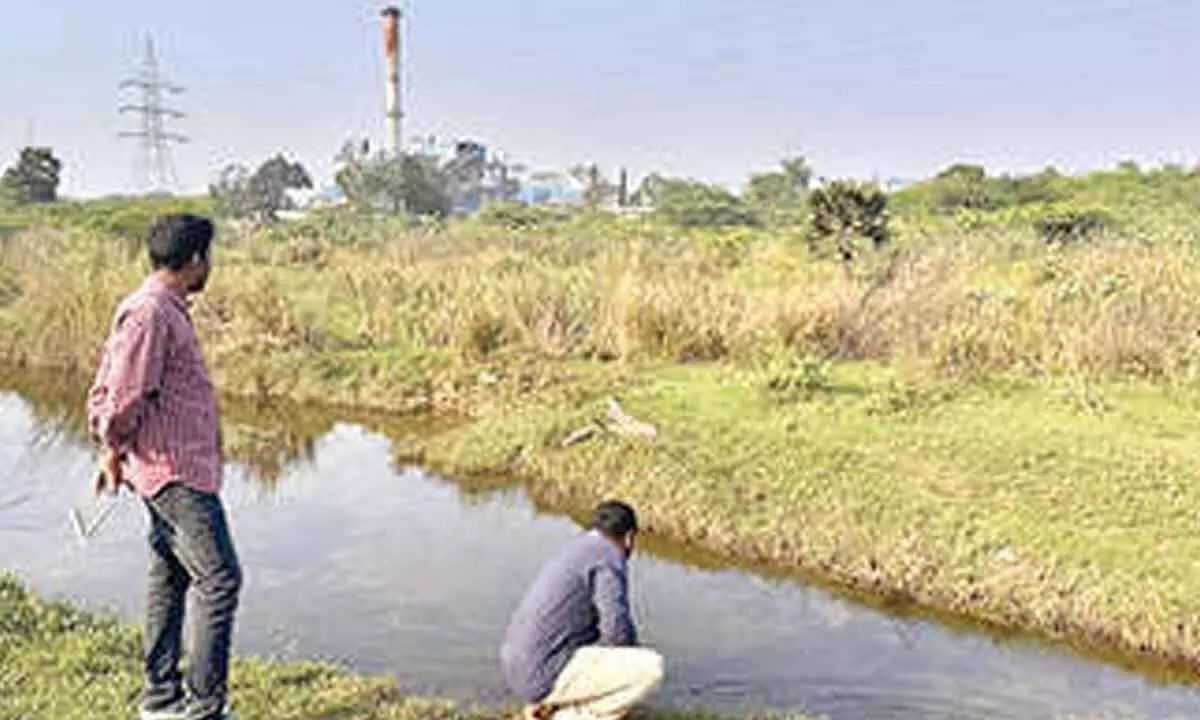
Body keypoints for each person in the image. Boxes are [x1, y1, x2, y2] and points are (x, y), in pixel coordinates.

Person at [86, 214, 240, 720]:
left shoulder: (155, 307)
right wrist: (111, 443)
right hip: (174, 472)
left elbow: (114, 383)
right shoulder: (154, 313)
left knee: (170, 577)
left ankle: (160, 700)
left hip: (165, 466)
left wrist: (115, 449)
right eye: (208, 257)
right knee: (219, 581)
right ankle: (202, 710)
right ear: (195, 259)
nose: (209, 266)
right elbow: (123, 394)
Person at [500, 500, 664, 720]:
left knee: (597, 648)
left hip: (517, 665)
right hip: (540, 672)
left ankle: (547, 703)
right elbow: (615, 627)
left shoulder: (577, 548)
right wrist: (632, 656)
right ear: (629, 537)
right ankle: (568, 715)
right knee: (651, 669)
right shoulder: (609, 556)